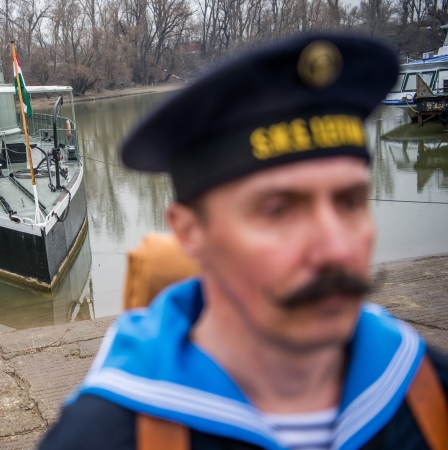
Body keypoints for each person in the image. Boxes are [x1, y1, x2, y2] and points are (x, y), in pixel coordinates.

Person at [39, 34, 448, 449]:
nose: (337, 249)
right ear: (189, 232)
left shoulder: (428, 394)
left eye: (350, 201)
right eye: (279, 210)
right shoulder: (104, 437)